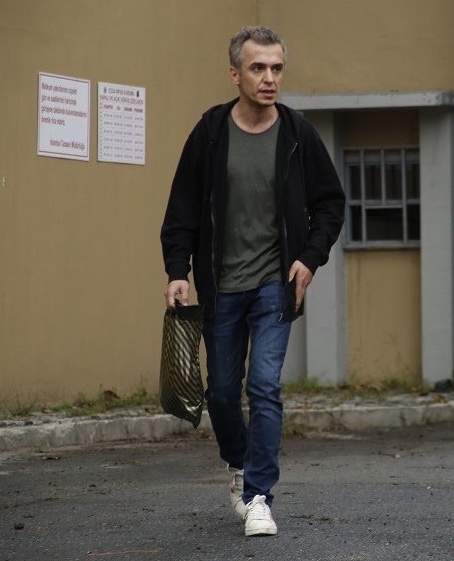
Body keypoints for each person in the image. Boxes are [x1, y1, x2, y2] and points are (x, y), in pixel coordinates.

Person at [160, 26, 345, 536]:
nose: (269, 78)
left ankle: (259, 495)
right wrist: (177, 271)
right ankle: (238, 464)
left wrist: (309, 258)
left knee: (264, 386)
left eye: (277, 68)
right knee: (221, 392)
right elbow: (182, 210)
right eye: (258, 68)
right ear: (235, 74)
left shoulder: (298, 134)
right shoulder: (210, 132)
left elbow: (330, 204)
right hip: (221, 286)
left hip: (274, 284)